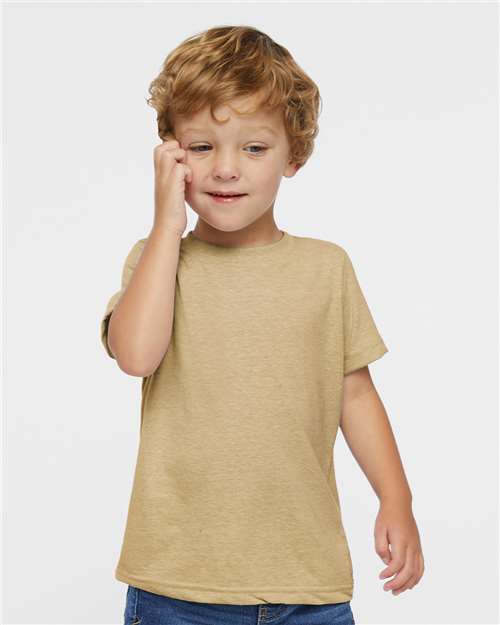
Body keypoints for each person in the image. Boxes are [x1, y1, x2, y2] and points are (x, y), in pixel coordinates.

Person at [100, 25, 425, 625]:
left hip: (308, 588)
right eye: (202, 147)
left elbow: (355, 394)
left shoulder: (325, 268)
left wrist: (396, 498)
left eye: (254, 148)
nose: (226, 169)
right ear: (171, 155)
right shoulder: (156, 261)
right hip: (177, 589)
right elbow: (136, 356)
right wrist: (166, 224)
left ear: (293, 155)